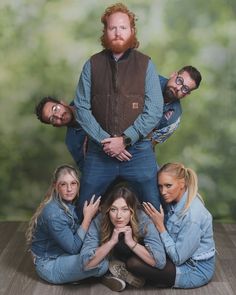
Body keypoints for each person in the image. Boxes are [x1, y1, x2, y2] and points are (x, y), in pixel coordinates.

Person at [74, 3, 164, 220]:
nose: (117, 32)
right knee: (83, 207)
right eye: (112, 28)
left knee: (154, 206)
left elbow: (154, 110)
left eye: (123, 27)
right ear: (105, 32)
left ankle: (159, 250)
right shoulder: (92, 65)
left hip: (138, 151)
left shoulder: (146, 64)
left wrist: (124, 140)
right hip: (99, 151)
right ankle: (82, 251)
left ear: (132, 31)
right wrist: (106, 142)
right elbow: (81, 108)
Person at [126, 162, 215, 289]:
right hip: (176, 255)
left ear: (182, 183)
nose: (163, 191)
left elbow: (178, 259)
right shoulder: (175, 199)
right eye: (160, 186)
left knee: (134, 263)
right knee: (133, 246)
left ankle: (136, 276)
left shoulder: (192, 217)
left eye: (168, 186)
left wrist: (160, 226)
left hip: (192, 270)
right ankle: (137, 276)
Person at [80, 185, 166, 292]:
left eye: (125, 209)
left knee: (135, 263)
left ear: (132, 211)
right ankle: (108, 274)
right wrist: (112, 241)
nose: (118, 216)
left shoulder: (143, 220)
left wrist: (131, 242)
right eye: (113, 209)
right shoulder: (100, 220)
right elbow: (86, 263)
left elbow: (160, 261)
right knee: (100, 264)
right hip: (110, 258)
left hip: (134, 259)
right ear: (107, 210)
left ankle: (115, 274)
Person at [25, 164, 102, 284]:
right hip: (50, 264)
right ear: (56, 186)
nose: (69, 189)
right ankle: (100, 274)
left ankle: (84, 275)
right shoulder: (54, 214)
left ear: (78, 185)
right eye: (63, 184)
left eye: (73, 183)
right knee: (102, 262)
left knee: (100, 250)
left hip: (62, 253)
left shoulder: (70, 202)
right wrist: (88, 217)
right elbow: (73, 248)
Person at [35, 97, 87, 171]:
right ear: (56, 125)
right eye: (53, 119)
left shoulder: (83, 98)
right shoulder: (71, 142)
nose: (59, 116)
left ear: (62, 103)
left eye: (55, 109)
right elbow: (86, 169)